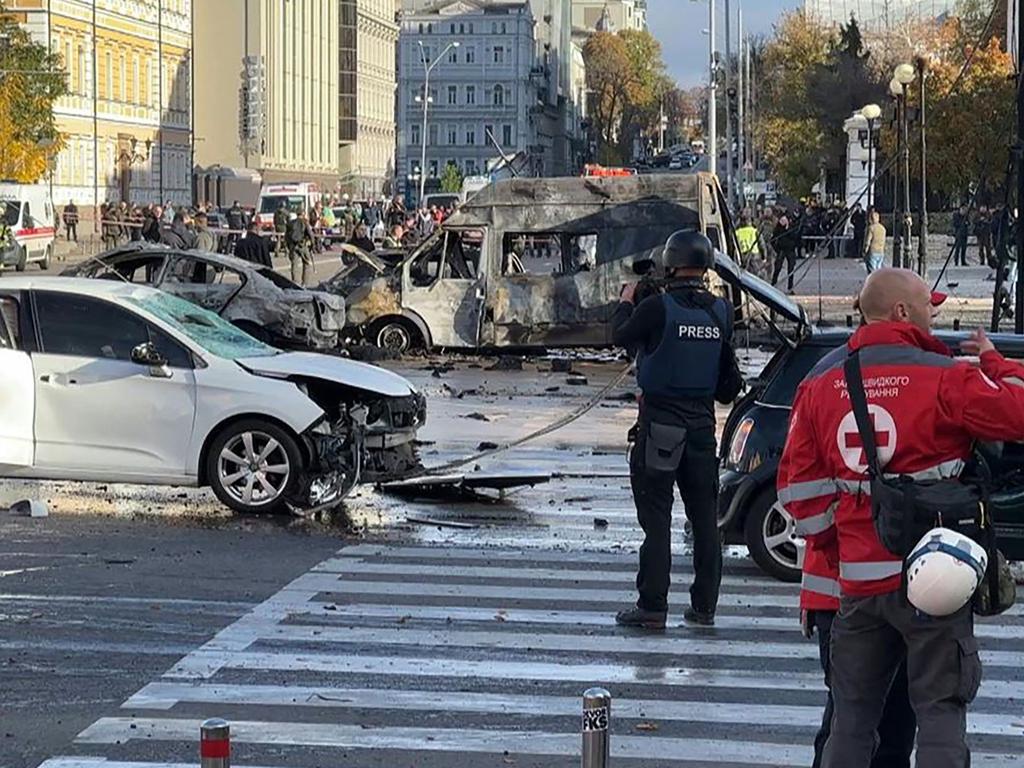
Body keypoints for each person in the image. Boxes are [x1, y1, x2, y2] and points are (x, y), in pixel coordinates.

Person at [779, 267, 1024, 768]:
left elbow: (798, 488)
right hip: (937, 580)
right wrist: (997, 363)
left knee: (851, 721)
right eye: (928, 309)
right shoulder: (944, 376)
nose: (934, 319)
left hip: (858, 586)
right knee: (939, 714)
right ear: (902, 313)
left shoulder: (822, 383)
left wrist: (839, 547)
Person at [610, 231, 738, 630]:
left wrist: (625, 302)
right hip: (702, 429)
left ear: (671, 262)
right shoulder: (721, 312)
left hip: (660, 428)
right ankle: (704, 607)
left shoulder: (656, 307)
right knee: (704, 522)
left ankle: (652, 607)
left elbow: (619, 336)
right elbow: (727, 388)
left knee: (657, 522)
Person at [771, 213, 800, 292]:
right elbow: (773, 239)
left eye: (784, 220)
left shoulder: (791, 227)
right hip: (781, 250)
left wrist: (787, 228)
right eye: (781, 220)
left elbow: (795, 236)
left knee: (791, 269)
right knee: (777, 268)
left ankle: (790, 287)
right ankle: (773, 284)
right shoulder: (778, 228)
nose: (782, 222)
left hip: (790, 250)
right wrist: (776, 249)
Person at [285, 211, 315, 286]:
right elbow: (310, 234)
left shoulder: (291, 223)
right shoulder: (304, 222)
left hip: (293, 246)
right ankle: (304, 283)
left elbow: (287, 236)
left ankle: (295, 282)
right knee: (307, 263)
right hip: (302, 245)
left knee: (294, 265)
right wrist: (312, 245)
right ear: (303, 214)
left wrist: (289, 247)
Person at [861, 210, 886, 274]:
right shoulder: (883, 228)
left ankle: (873, 283)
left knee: (872, 271)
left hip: (873, 251)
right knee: (878, 271)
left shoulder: (871, 228)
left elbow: (868, 241)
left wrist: (865, 251)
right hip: (881, 252)